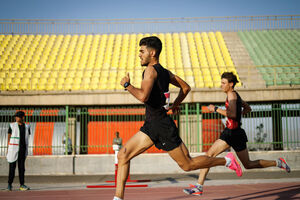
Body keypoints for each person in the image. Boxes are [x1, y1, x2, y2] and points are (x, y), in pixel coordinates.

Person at [113, 36, 242, 200]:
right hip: (152, 125)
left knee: (188, 165)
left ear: (152, 53)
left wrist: (127, 86)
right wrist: (174, 105)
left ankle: (226, 161)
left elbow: (143, 96)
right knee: (123, 155)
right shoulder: (165, 72)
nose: (139, 54)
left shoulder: (150, 71)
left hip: (161, 126)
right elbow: (186, 88)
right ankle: (118, 198)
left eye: (142, 51)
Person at [183, 72, 291, 196]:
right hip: (232, 132)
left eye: (224, 83)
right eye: (221, 83)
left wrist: (216, 109)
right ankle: (199, 186)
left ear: (231, 84)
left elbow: (233, 114)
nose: (221, 85)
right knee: (212, 156)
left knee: (245, 164)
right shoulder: (235, 96)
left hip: (234, 134)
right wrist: (237, 115)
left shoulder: (232, 96)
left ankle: (278, 162)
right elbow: (248, 109)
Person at [6, 111, 31, 191]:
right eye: (16, 116)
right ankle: (9, 185)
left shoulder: (27, 126)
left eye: (18, 116)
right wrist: (8, 148)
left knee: (21, 168)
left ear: (22, 117)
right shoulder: (12, 125)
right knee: (12, 168)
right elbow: (9, 136)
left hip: (22, 150)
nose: (16, 118)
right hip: (13, 149)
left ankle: (22, 185)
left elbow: (27, 138)